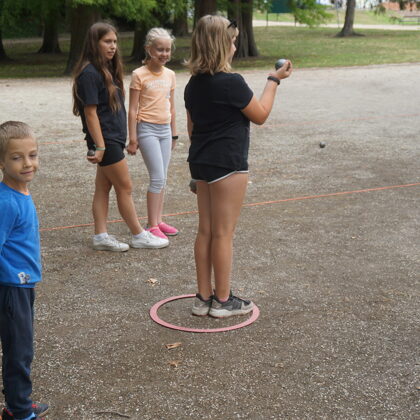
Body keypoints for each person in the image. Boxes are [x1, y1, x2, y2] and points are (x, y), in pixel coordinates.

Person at [184, 15, 293, 318]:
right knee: (223, 234)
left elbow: (192, 129)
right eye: (232, 41)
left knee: (205, 231)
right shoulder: (232, 83)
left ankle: (203, 298)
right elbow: (260, 115)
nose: (235, 46)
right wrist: (273, 80)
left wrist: (199, 169)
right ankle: (222, 301)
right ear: (221, 45)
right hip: (228, 165)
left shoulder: (192, 85)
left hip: (201, 163)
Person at [72, 22, 169, 251]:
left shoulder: (106, 70)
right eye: (107, 41)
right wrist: (100, 146)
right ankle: (138, 234)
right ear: (94, 43)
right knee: (125, 187)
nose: (113, 46)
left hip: (112, 138)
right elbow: (90, 113)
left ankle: (100, 236)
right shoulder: (89, 73)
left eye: (115, 41)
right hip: (106, 141)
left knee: (103, 188)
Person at [0, 121, 49, 420]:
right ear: (1, 162)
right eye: (17, 157)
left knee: (22, 348)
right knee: (19, 351)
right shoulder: (6, 202)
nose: (28, 163)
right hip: (10, 288)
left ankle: (17, 404)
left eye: (32, 155)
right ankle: (18, 411)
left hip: (22, 285)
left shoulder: (20, 194)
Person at [127, 28, 178, 240]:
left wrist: (174, 133)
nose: (164, 54)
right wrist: (132, 138)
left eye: (167, 50)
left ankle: (158, 220)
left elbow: (171, 106)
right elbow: (132, 109)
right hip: (147, 129)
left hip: (165, 129)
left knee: (163, 177)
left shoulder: (170, 75)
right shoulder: (139, 74)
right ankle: (151, 224)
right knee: (157, 177)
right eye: (160, 49)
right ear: (149, 49)